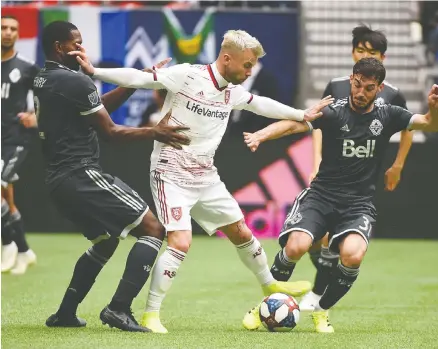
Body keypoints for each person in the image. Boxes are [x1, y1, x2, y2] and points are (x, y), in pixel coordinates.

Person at [72, 29, 332, 333]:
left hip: (206, 174)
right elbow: (139, 78)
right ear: (227, 58)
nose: (250, 71)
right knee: (180, 241)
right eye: (247, 65)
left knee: (240, 232)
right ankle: (150, 314)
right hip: (170, 171)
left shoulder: (232, 90)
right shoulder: (186, 75)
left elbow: (260, 104)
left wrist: (302, 113)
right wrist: (94, 71)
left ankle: (269, 285)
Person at [242, 58, 438, 332]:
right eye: (357, 84)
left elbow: (430, 125)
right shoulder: (333, 113)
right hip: (321, 196)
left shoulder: (389, 115)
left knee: (353, 255)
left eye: (369, 88)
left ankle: (321, 310)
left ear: (380, 88)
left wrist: (434, 109)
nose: (361, 92)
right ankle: (263, 308)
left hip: (358, 204)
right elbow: (295, 124)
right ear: (352, 79)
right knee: (295, 246)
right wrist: (261, 135)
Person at [35, 21, 190, 332]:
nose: (81, 49)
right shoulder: (76, 83)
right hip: (80, 173)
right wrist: (155, 132)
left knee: (105, 242)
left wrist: (137, 81)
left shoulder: (45, 78)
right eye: (75, 43)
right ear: (58, 47)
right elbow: (110, 131)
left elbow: (98, 109)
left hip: (58, 181)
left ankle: (65, 313)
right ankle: (118, 309)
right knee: (152, 228)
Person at [302, 24, 414, 313]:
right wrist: (314, 163)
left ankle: (318, 293)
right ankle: (325, 282)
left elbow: (408, 128)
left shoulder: (392, 94)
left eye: (372, 51)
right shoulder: (337, 85)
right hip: (328, 176)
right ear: (353, 52)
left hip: (363, 179)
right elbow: (318, 126)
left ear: (383, 58)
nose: (364, 54)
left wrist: (397, 165)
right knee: (317, 239)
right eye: (360, 50)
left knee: (339, 241)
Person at [1, 15, 39, 274]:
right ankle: (25, 250)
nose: (8, 32)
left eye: (13, 29)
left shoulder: (26, 67)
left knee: (1, 187)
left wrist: (37, 116)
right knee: (7, 200)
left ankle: (8, 245)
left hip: (13, 139)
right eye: (3, 27)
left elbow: (48, 95)